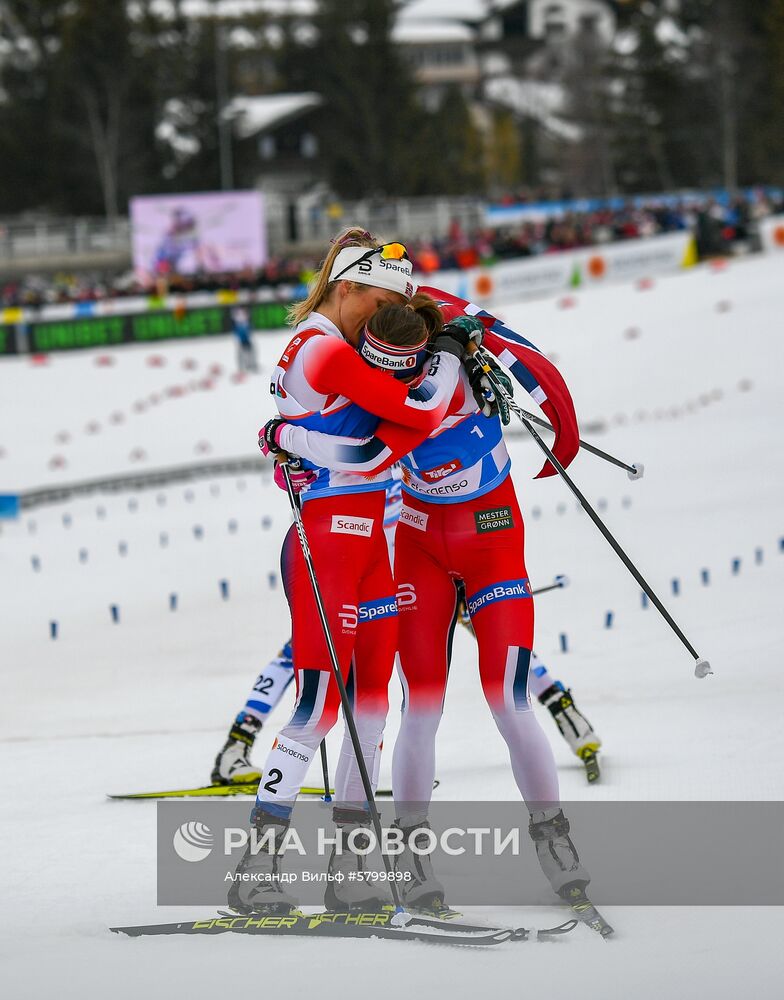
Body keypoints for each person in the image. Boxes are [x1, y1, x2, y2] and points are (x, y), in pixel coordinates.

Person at [264, 286, 597, 916]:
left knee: (506, 693)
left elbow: (405, 414)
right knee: (421, 700)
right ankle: (410, 852)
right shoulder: (392, 373)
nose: (391, 381)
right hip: (421, 546)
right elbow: (353, 429)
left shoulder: (441, 375)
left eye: (403, 366)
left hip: (492, 540)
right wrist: (290, 437)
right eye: (381, 367)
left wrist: (285, 435)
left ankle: (553, 839)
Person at [228, 229, 480, 917]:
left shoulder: (335, 344)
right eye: (375, 298)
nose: (381, 314)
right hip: (330, 545)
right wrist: (449, 367)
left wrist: (282, 437)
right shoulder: (322, 349)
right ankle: (256, 871)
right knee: (320, 707)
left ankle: (350, 869)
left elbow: (375, 431)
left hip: (373, 542)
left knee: (371, 707)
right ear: (345, 289)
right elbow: (389, 433)